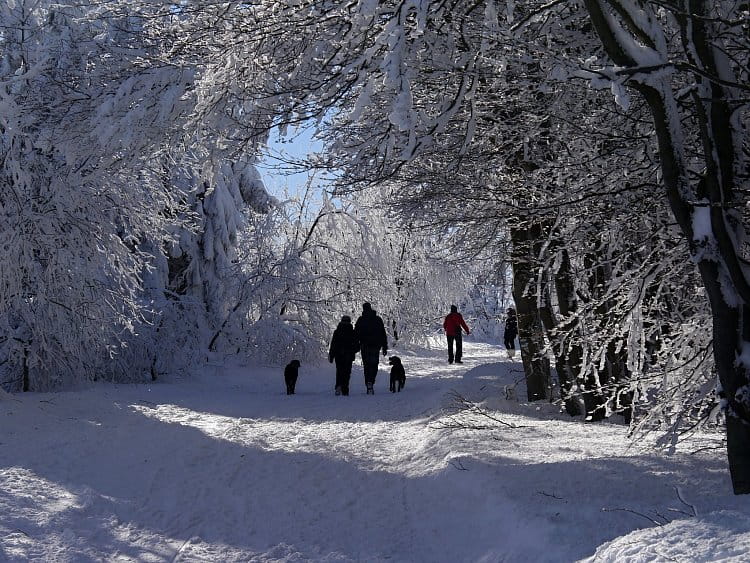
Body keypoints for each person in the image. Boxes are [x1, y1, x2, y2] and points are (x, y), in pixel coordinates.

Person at [354, 302, 388, 394]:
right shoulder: (378, 319)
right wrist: (384, 347)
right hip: (375, 346)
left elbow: (356, 333)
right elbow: (383, 334)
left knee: (367, 365)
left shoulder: (361, 320)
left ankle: (368, 382)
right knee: (374, 364)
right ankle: (371, 381)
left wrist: (356, 345)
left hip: (364, 346)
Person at [328, 315, 359, 396]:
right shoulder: (352, 332)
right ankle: (345, 389)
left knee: (339, 371)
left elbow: (333, 344)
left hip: (338, 355)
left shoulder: (337, 331)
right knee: (347, 372)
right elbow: (357, 346)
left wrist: (331, 355)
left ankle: (338, 385)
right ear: (349, 322)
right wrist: (353, 351)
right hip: (349, 355)